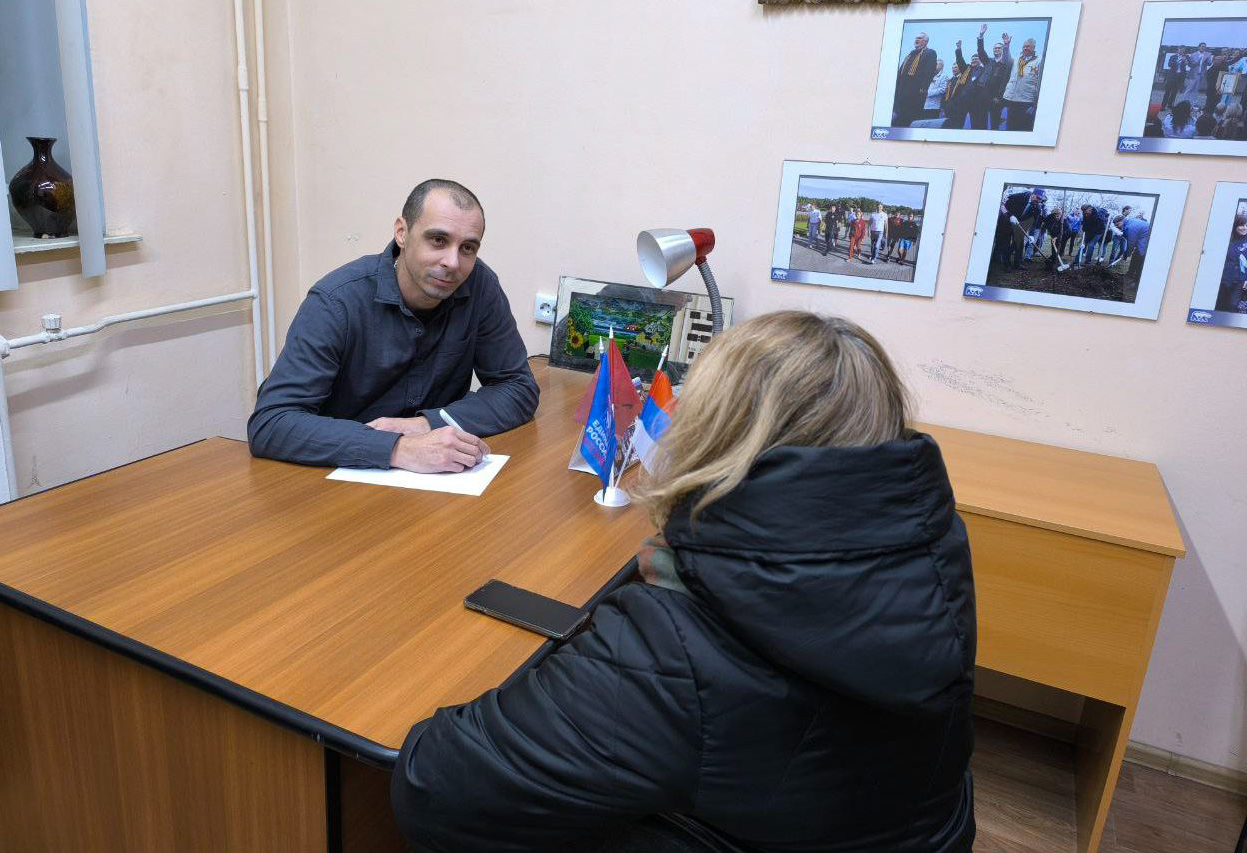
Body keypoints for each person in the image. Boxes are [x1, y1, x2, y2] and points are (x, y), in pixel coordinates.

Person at [391, 311, 978, 853]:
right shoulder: (930, 551)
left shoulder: (673, 653)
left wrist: (660, 605)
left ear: (716, 435)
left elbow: (432, 784)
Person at [248, 179, 539, 471]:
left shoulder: (479, 286)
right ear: (402, 232)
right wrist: (397, 448)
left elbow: (518, 388)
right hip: (333, 475)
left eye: (467, 248)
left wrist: (426, 424)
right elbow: (271, 422)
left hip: (434, 477)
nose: (453, 262)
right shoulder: (336, 300)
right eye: (438, 240)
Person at [892, 32, 939, 127]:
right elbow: (901, 71)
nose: (917, 40)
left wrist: (923, 88)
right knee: (897, 118)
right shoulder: (910, 54)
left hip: (915, 93)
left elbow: (929, 71)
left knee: (909, 119)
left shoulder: (930, 52)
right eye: (916, 38)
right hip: (901, 92)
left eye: (920, 38)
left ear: (925, 42)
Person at [1001, 34, 1042, 132]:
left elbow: (1040, 82)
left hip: (1027, 101)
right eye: (1024, 46)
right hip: (1013, 99)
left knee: (1025, 128)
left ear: (1033, 48)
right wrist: (1006, 46)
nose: (1025, 48)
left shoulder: (1038, 61)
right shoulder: (1016, 60)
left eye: (1028, 46)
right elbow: (1006, 59)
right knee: (1010, 127)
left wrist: (1036, 102)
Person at [973, 24, 1011, 130]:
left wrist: (999, 96)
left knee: (994, 124)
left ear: (1003, 50)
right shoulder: (988, 61)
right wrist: (981, 35)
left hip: (996, 97)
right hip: (983, 95)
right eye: (995, 48)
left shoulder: (1006, 63)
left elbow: (1005, 81)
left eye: (999, 48)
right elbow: (981, 51)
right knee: (981, 123)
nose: (996, 49)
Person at [1000, 187, 1046, 270]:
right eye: (1037, 197)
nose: (1038, 200)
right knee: (1006, 243)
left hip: (1019, 225)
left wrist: (1031, 235)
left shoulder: (1037, 208)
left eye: (1040, 199)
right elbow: (1003, 205)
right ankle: (1007, 264)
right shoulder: (1019, 196)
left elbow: (1034, 222)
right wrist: (1009, 216)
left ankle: (1017, 264)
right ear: (1032, 194)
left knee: (1019, 244)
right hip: (1007, 222)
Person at [1215, 213, 1247, 313]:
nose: (1245, 228)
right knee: (1218, 304)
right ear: (1235, 226)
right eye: (1242, 225)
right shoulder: (1226, 238)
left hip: (1240, 280)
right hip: (1222, 278)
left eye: (1246, 225)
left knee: (1232, 306)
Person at [1119, 213, 1152, 284]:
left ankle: (1136, 281)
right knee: (1135, 256)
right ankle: (1130, 274)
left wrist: (1125, 255)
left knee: (1140, 259)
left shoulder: (1131, 227)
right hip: (1143, 238)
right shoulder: (1129, 222)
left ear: (1122, 221)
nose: (1118, 227)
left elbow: (1131, 244)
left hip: (1146, 240)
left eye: (1117, 224)